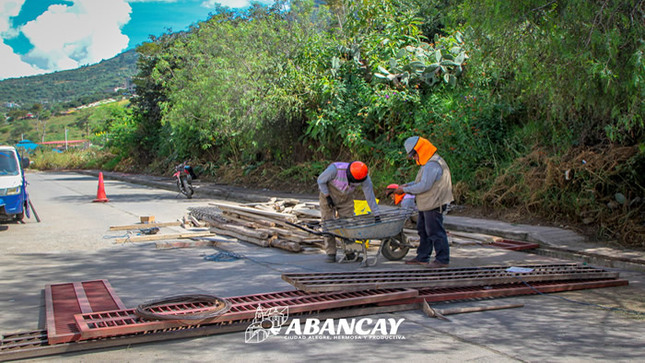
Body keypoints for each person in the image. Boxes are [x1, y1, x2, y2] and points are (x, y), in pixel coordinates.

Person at [394, 136, 454, 268]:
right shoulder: (428, 163)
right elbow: (420, 182)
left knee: (435, 231)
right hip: (427, 203)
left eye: (414, 154)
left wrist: (404, 190)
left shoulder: (432, 164)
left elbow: (423, 186)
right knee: (423, 230)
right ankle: (423, 257)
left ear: (420, 150)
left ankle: (442, 259)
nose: (414, 158)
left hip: (434, 203)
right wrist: (405, 186)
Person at [317, 161, 380, 263]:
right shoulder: (335, 170)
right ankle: (330, 252)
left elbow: (370, 196)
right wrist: (327, 196)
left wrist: (376, 213)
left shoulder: (365, 178)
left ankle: (350, 252)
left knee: (348, 223)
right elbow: (320, 180)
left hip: (346, 197)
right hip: (329, 194)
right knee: (327, 223)